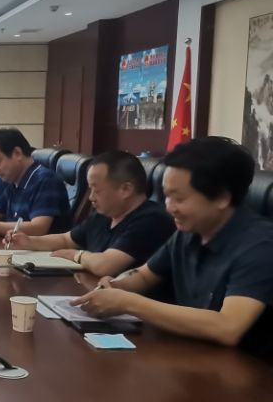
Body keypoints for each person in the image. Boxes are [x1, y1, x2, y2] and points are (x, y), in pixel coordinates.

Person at [72, 137, 273, 357]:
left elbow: (228, 327)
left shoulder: (260, 245)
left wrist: (128, 302)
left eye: (179, 199)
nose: (169, 208)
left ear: (222, 198)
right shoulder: (188, 232)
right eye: (166, 196)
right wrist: (117, 285)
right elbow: (144, 275)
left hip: (246, 370)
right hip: (191, 354)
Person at [5, 150, 175, 277]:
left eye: (97, 190)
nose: (91, 197)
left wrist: (77, 255)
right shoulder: (105, 214)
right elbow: (66, 239)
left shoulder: (152, 219)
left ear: (125, 189)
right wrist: (29, 241)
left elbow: (106, 265)